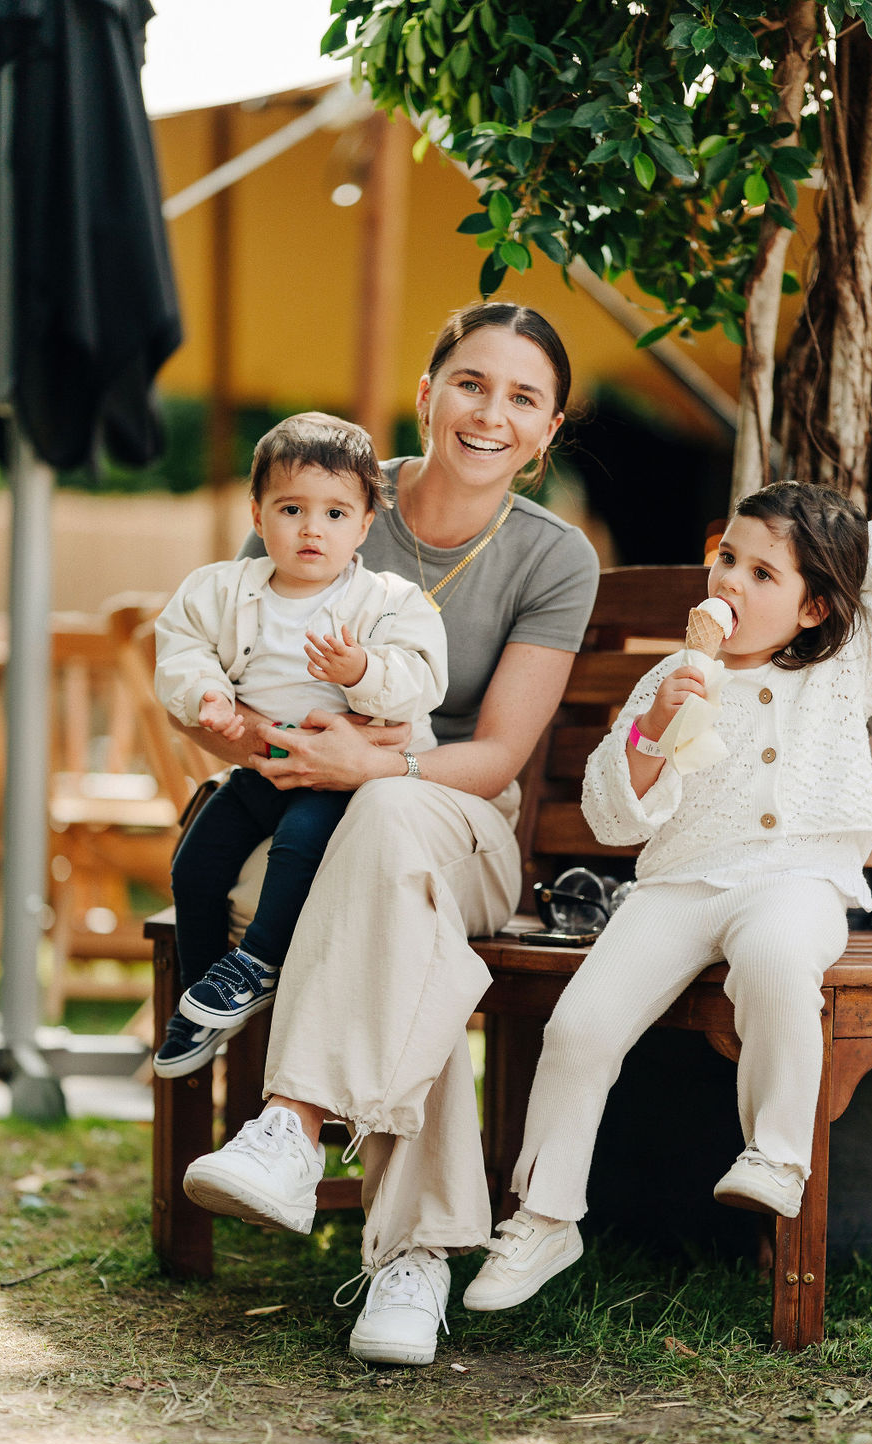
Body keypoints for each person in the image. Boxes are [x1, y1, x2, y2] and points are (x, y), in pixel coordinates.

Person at [173, 302, 600, 1364]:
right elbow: (235, 681)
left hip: (463, 822)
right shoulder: (324, 490)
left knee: (392, 815)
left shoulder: (554, 557)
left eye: (523, 399)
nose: (490, 413)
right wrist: (254, 735)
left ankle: (292, 1124)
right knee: (410, 930)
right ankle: (418, 1255)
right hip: (312, 817)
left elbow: (496, 756)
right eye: (471, 383)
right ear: (426, 394)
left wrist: (377, 767)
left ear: (548, 431)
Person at [461, 481, 872, 1314]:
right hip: (679, 886)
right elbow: (612, 814)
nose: (730, 582)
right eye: (727, 558)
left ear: (814, 609)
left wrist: (826, 536)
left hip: (798, 878)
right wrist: (653, 728)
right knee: (578, 1027)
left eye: (763, 574)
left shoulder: (844, 666)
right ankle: (544, 1216)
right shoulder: (673, 675)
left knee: (777, 958)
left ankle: (777, 1154)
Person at [152, 412, 448, 1078]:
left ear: (365, 525)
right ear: (258, 516)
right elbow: (182, 647)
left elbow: (422, 679)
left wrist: (363, 671)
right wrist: (207, 694)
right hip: (260, 773)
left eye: (335, 514)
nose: (313, 529)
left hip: (337, 783)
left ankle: (255, 963)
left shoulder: (389, 603)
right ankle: (200, 1001)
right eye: (292, 509)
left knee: (297, 848)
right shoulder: (221, 589)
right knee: (195, 865)